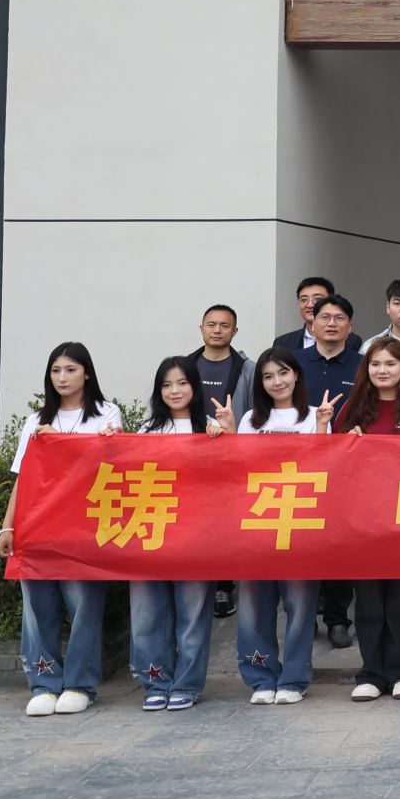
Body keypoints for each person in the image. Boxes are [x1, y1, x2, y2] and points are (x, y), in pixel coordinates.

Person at [2, 343, 122, 717]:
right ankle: (43, 683)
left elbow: (110, 466)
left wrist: (62, 443)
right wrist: (7, 525)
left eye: (70, 369)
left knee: (84, 606)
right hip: (37, 526)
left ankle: (80, 685)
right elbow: (24, 478)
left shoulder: (106, 414)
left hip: (85, 527)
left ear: (86, 373)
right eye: (56, 370)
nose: (62, 377)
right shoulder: (35, 421)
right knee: (38, 608)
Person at [336, 337, 400, 702]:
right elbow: (334, 462)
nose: (383, 370)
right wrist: (344, 440)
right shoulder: (353, 405)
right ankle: (371, 673)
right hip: (363, 520)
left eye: (391, 364)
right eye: (376, 364)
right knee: (367, 601)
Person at [129, 357, 222, 712]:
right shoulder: (146, 430)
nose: (175, 391)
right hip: (150, 533)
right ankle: (155, 682)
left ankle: (187, 684)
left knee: (192, 615)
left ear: (195, 386)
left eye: (182, 383)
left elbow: (228, 479)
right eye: (166, 385)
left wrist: (226, 438)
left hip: (197, 537)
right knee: (147, 615)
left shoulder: (211, 427)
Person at [231, 347, 320, 705]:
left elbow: (325, 466)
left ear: (296, 375)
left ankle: (294, 679)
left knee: (300, 606)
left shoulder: (314, 415)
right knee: (253, 607)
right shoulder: (250, 420)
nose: (277, 382)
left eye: (283, 373)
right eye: (268, 376)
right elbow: (238, 468)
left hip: (300, 523)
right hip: (257, 522)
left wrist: (324, 428)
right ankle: (261, 677)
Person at [299, 291, 364, 648]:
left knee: (340, 544)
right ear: (312, 323)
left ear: (350, 326)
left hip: (347, 469)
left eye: (340, 318)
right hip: (301, 468)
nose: (332, 323)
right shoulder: (294, 363)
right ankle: (304, 615)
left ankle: (338, 619)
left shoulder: (362, 365)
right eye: (325, 317)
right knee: (305, 544)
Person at [187, 304, 252, 619]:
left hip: (231, 458)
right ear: (201, 328)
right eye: (211, 324)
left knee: (226, 523)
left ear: (235, 331)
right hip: (190, 458)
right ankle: (195, 576)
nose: (217, 330)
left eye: (224, 325)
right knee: (193, 520)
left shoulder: (248, 369)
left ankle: (223, 585)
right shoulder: (185, 366)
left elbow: (254, 411)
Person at [274, 276, 334, 355]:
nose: (310, 305)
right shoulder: (282, 343)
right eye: (304, 300)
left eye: (318, 299)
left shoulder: (348, 342)